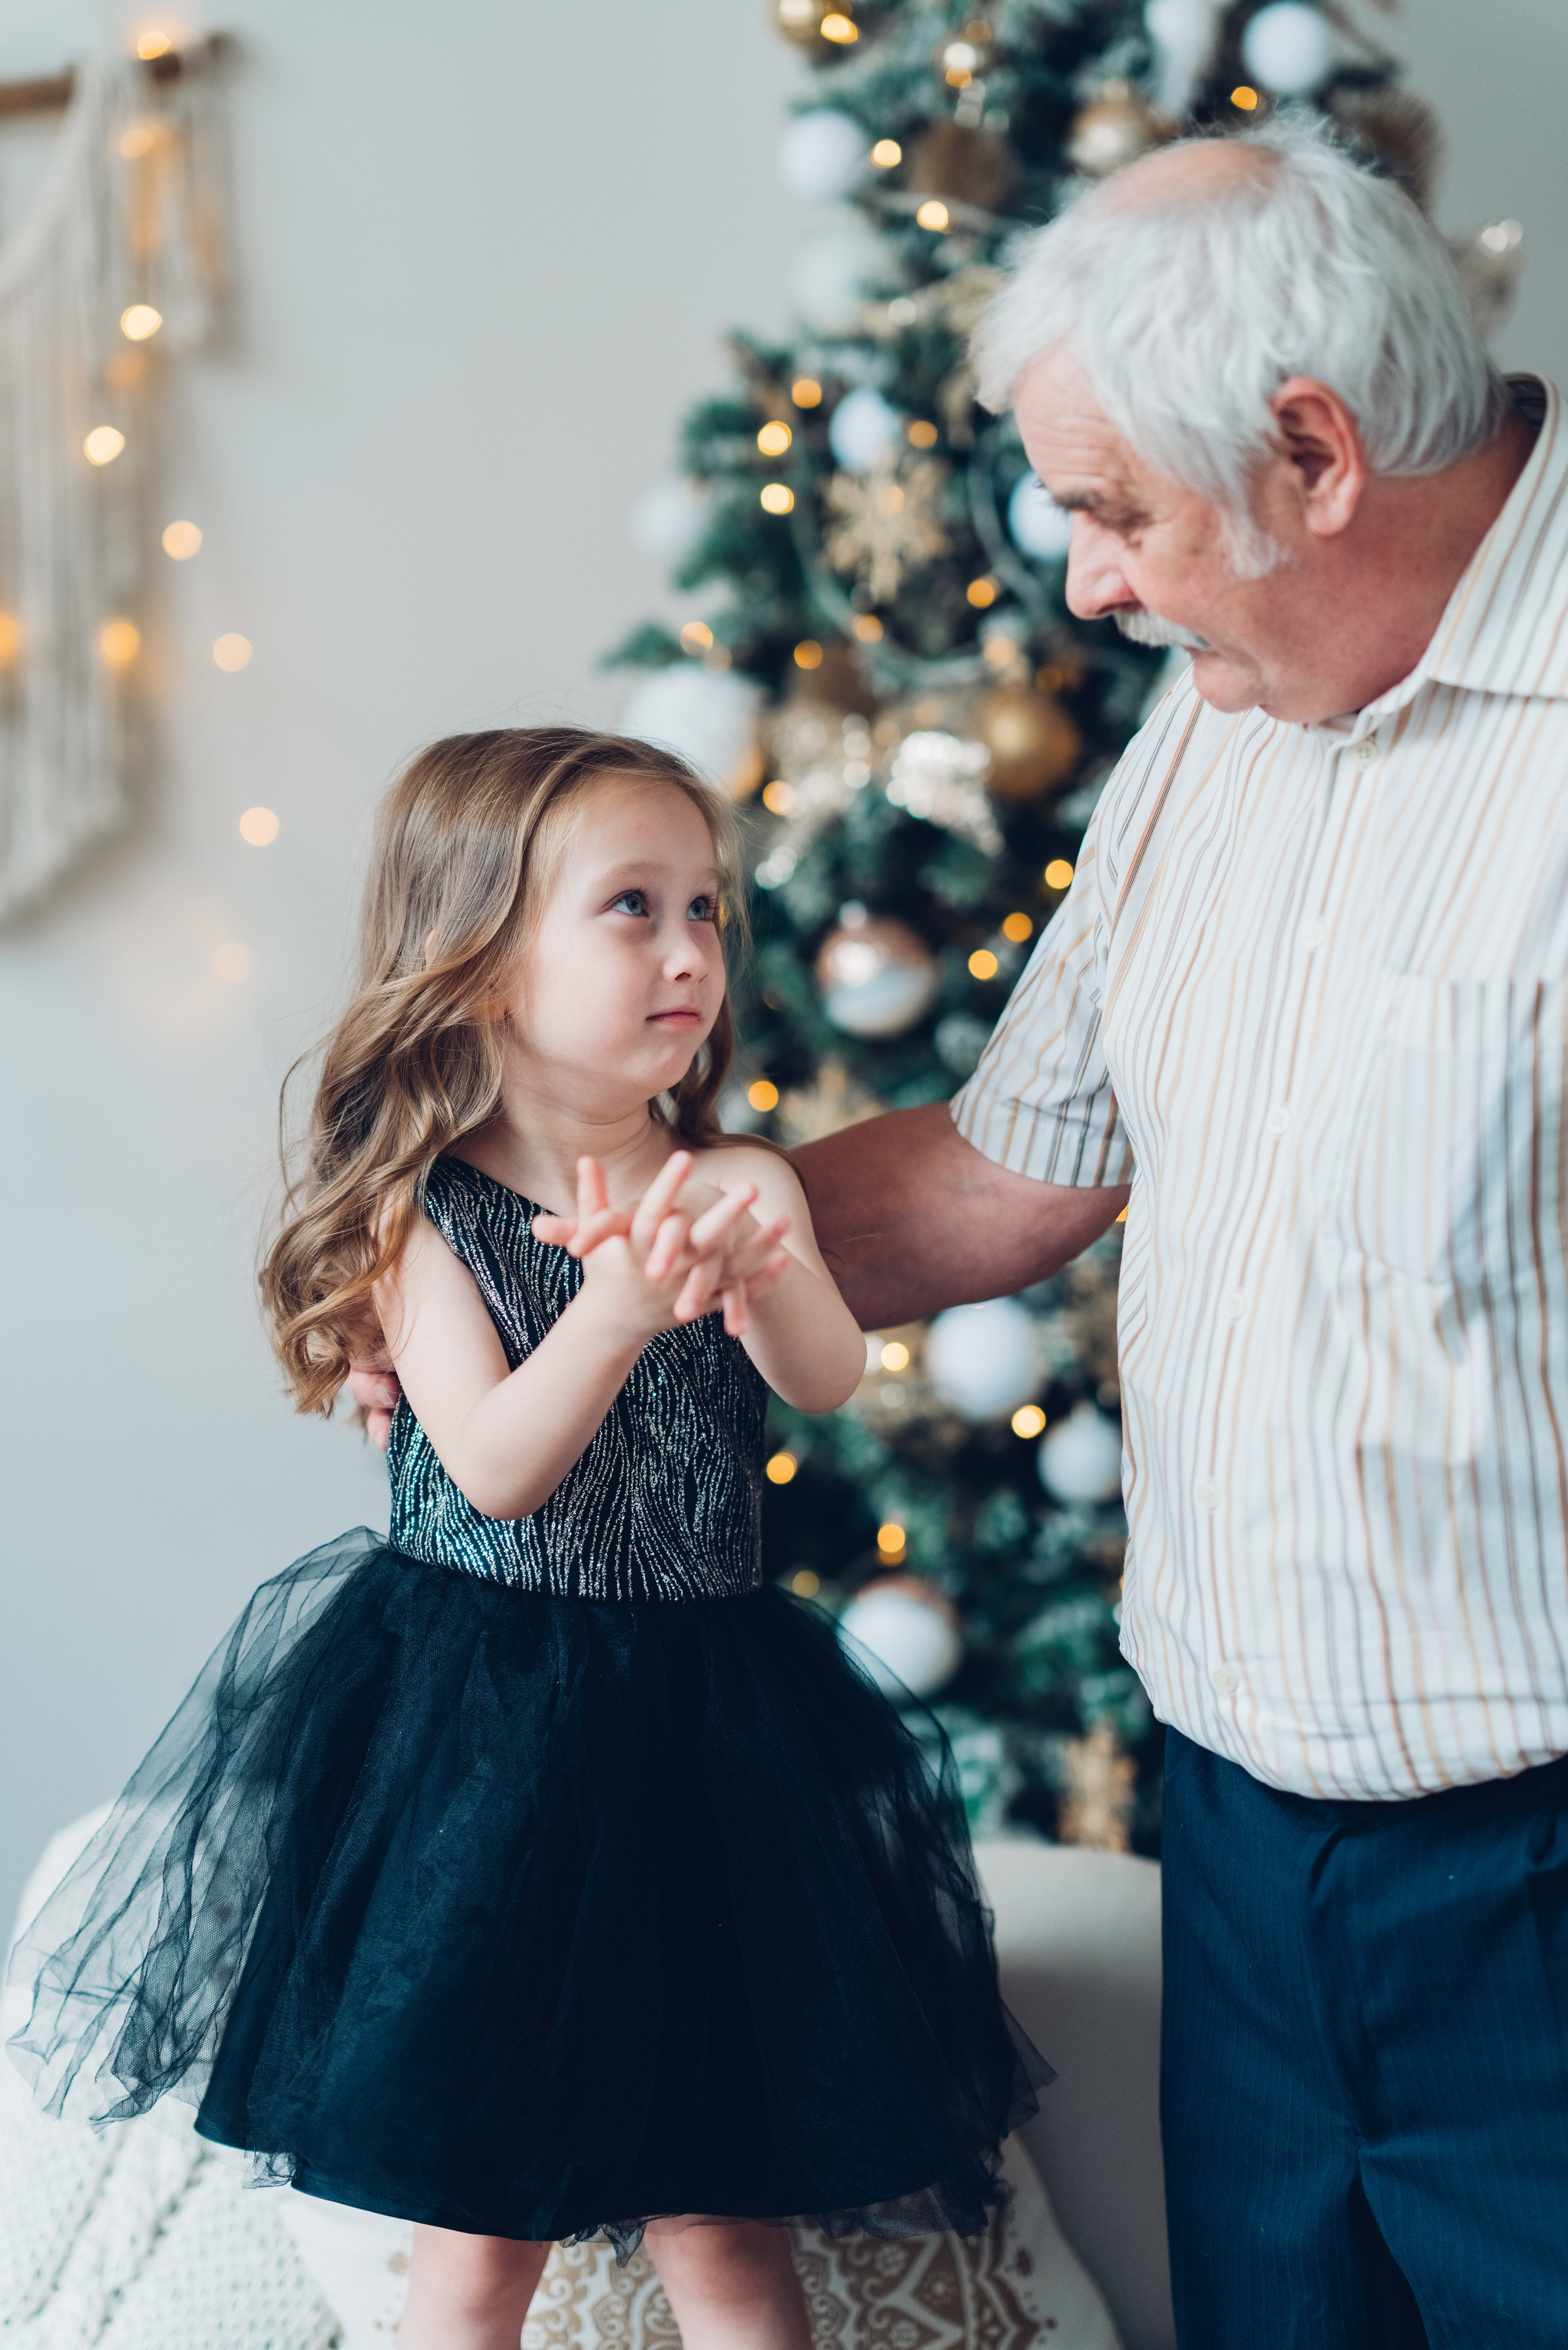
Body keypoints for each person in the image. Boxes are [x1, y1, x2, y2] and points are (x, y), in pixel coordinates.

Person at [355, 119, 1568, 2348]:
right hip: (1247, 1861)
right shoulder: (1216, 735)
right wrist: (540, 1277)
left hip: (1536, 1879)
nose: (1087, 586)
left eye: (1112, 512)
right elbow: (1010, 1172)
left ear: (1311, 455)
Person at [6, 727, 1046, 2350]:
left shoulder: (735, 1171)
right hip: (491, 1741)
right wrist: (618, 1310)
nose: (691, 950)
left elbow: (826, 1378)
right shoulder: (422, 1213)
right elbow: (491, 1468)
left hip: (708, 1726)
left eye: (706, 910)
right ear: (480, 965)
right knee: (474, 2242)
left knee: (726, 2226)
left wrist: (762, 1259)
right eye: (632, 908)